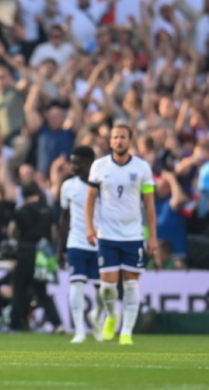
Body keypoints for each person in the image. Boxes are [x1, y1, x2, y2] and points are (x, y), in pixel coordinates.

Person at [85, 124, 158, 346]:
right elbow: (89, 200)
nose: (119, 141)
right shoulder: (99, 167)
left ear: (130, 141)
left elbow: (150, 206)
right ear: (110, 142)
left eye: (123, 137)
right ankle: (112, 316)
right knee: (107, 287)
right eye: (115, 137)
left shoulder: (142, 168)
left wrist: (152, 236)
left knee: (131, 285)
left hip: (133, 235)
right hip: (107, 234)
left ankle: (126, 332)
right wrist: (90, 227)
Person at [57, 146, 104, 343]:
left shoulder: (103, 184)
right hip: (76, 241)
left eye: (77, 162)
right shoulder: (68, 186)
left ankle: (96, 318)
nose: (73, 166)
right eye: (72, 162)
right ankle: (79, 331)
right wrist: (60, 249)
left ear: (89, 163)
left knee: (104, 290)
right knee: (76, 284)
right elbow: (64, 219)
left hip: (101, 242)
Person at [9, 183, 63, 333]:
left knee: (19, 289)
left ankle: (15, 324)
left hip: (25, 253)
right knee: (42, 292)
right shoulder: (48, 210)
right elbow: (53, 232)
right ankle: (58, 324)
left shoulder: (22, 210)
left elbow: (12, 230)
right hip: (42, 256)